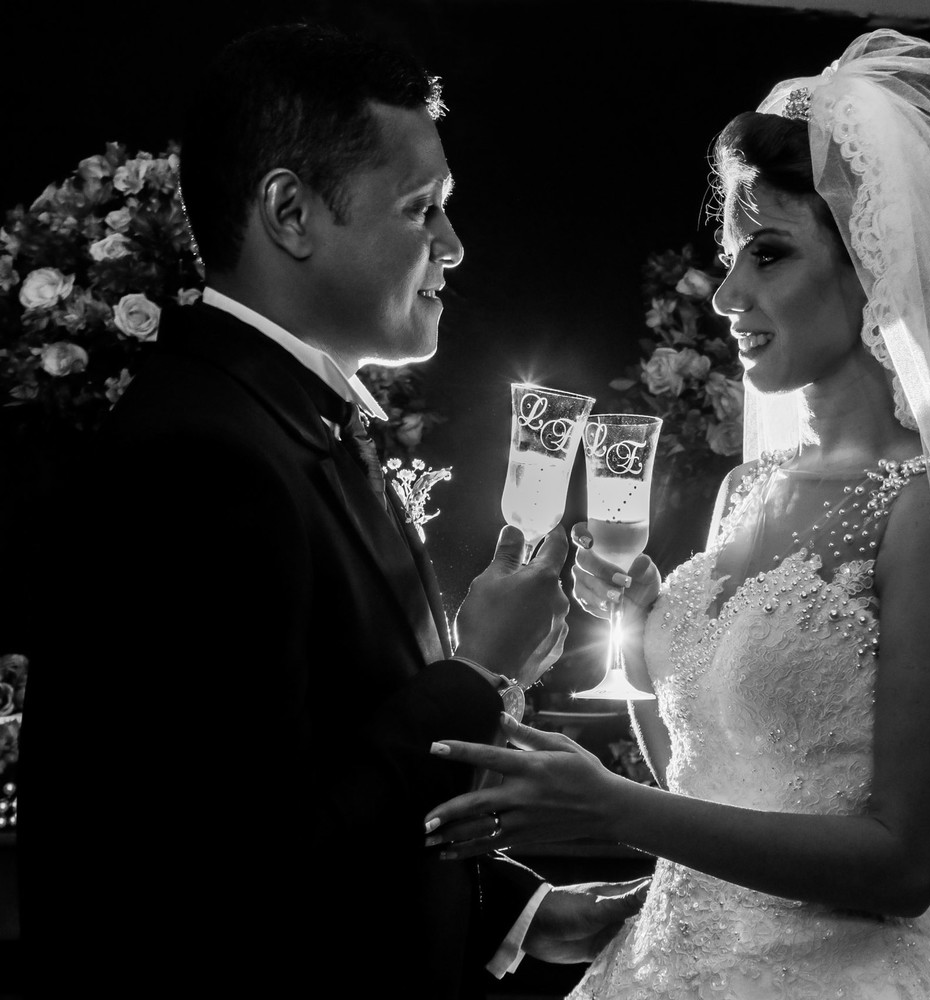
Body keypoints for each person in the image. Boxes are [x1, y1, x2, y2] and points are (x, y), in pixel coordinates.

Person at [420, 30, 930, 1000]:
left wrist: (613, 808)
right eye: (730, 257)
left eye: (769, 254)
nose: (728, 295)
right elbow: (711, 777)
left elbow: (901, 865)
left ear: (877, 268)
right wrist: (640, 630)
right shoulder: (747, 488)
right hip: (661, 964)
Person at [16, 24, 642, 997]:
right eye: (421, 209)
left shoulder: (290, 419)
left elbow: (337, 771)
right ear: (291, 213)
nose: (453, 246)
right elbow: (240, 870)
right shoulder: (202, 459)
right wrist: (478, 672)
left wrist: (516, 911)